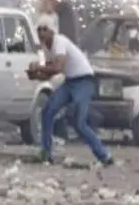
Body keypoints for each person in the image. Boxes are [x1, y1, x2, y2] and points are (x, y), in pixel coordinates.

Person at [28, 14, 113, 166]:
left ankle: (104, 155)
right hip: (70, 81)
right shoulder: (47, 47)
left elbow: (58, 67)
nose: (41, 33)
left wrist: (38, 68)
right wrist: (35, 75)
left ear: (51, 31)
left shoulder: (59, 42)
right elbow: (50, 72)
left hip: (83, 81)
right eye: (39, 29)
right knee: (47, 111)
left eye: (44, 29)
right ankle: (46, 153)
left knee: (79, 123)